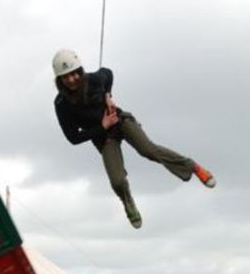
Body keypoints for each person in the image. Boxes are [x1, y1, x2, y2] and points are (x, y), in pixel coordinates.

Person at [52, 48, 216, 229]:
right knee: (117, 181)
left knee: (148, 150)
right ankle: (127, 201)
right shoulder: (61, 104)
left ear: (80, 71)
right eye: (65, 77)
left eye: (74, 73)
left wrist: (108, 95)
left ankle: (193, 167)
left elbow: (108, 73)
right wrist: (102, 127)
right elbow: (73, 137)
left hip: (121, 121)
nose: (71, 79)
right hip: (103, 137)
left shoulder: (94, 79)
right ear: (60, 80)